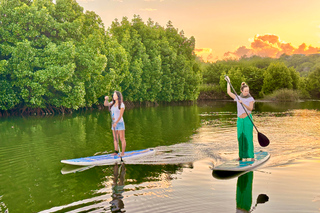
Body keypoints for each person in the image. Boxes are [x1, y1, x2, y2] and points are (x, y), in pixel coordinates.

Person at [225, 76, 255, 161]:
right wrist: (228, 82)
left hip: (248, 119)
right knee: (240, 137)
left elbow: (250, 109)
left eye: (248, 91)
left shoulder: (250, 99)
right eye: (245, 91)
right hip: (240, 120)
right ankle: (241, 156)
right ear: (241, 91)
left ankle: (251, 156)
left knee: (248, 137)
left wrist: (243, 103)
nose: (247, 92)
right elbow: (229, 92)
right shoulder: (237, 97)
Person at [104, 91, 126, 156]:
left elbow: (120, 115)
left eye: (115, 95)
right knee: (115, 138)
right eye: (113, 95)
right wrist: (106, 99)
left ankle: (122, 153)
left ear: (118, 96)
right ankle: (116, 152)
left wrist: (116, 123)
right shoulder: (112, 103)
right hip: (114, 123)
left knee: (122, 138)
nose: (113, 96)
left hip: (119, 123)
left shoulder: (122, 104)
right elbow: (106, 104)